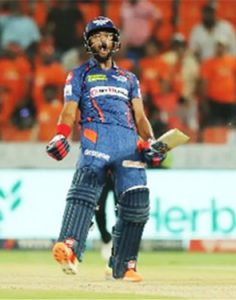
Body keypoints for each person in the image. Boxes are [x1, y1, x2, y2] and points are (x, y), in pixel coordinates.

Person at [46, 16, 166, 282]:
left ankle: (124, 266)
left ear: (115, 41)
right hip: (96, 138)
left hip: (128, 143)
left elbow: (140, 117)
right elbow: (68, 111)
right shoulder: (79, 74)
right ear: (89, 43)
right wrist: (61, 135)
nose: (103, 40)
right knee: (85, 188)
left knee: (137, 201)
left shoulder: (129, 78)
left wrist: (152, 142)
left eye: (108, 35)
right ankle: (70, 248)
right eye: (97, 36)